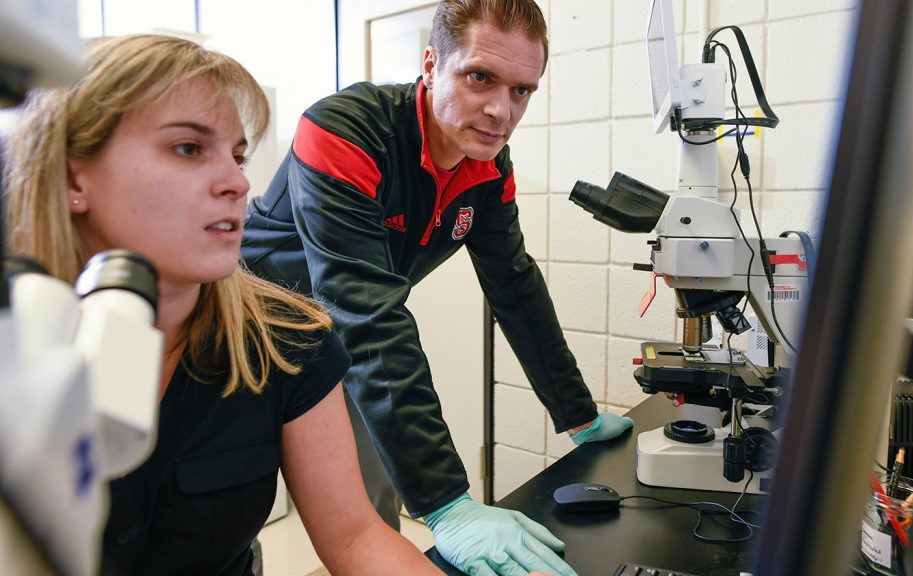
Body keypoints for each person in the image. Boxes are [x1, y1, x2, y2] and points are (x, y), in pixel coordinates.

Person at [2, 34, 445, 576]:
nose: (237, 182)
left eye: (237, 156)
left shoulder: (289, 341)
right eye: (188, 149)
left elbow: (355, 538)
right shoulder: (15, 342)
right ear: (75, 176)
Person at [241, 0, 634, 574]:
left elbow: (514, 284)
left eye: (522, 90)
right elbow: (368, 308)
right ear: (431, 64)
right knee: (230, 514)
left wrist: (576, 412)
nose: (502, 110)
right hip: (249, 326)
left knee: (369, 512)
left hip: (334, 335)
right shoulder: (343, 129)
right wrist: (449, 502)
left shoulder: (489, 166)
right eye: (481, 77)